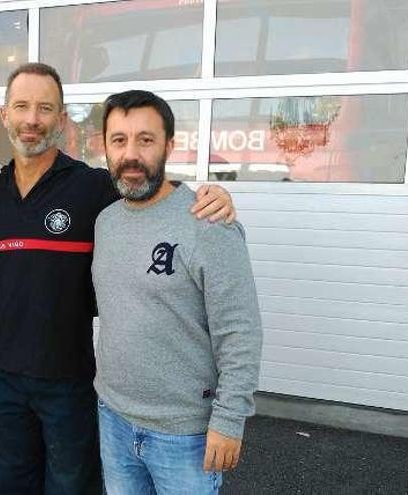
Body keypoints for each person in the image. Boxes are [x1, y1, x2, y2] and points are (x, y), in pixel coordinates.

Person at [0, 63, 238, 494]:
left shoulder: (93, 187)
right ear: (4, 115)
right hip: (3, 376)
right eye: (21, 107)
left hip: (70, 380)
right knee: (12, 483)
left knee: (70, 485)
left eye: (45, 108)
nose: (32, 119)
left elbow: (147, 183)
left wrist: (212, 197)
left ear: (61, 119)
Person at [92, 90, 263, 494]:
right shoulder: (105, 222)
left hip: (184, 435)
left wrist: (228, 420)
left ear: (170, 145)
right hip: (113, 419)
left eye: (145, 139)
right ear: (105, 148)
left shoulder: (207, 222)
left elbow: (240, 331)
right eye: (119, 140)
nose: (131, 154)